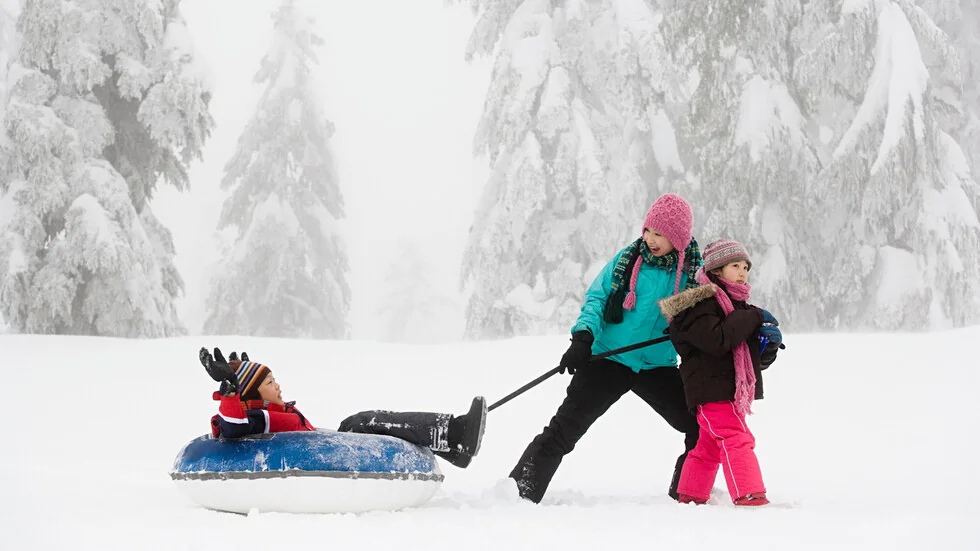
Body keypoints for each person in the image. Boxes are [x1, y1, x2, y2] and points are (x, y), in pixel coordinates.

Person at [509, 193, 703, 503]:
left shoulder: (694, 275)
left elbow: (709, 317)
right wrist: (583, 338)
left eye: (661, 234)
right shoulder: (629, 260)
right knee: (564, 430)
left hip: (657, 365)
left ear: (678, 238)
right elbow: (597, 298)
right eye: (649, 231)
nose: (651, 240)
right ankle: (519, 494)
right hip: (609, 357)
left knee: (701, 426)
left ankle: (688, 494)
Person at [199, 347, 487, 468]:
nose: (278, 387)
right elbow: (232, 429)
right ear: (253, 392)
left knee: (360, 422)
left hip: (321, 445)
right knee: (360, 422)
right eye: (271, 382)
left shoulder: (272, 411)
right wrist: (231, 394)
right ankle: (456, 433)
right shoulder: (258, 417)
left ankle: (451, 447)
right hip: (322, 454)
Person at [657, 239, 783, 506]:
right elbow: (717, 341)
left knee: (708, 447)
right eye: (734, 266)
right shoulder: (700, 304)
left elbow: (742, 358)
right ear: (715, 270)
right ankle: (750, 495)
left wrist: (766, 348)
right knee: (737, 438)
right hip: (710, 389)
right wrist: (756, 316)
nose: (742, 272)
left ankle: (690, 496)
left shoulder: (737, 307)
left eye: (746, 267)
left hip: (725, 389)